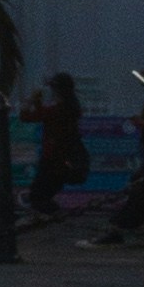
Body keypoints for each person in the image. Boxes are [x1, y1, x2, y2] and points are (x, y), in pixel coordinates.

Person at [23, 66, 88, 224]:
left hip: (52, 158)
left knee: (37, 195)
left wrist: (31, 101)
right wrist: (38, 103)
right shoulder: (71, 108)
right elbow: (44, 114)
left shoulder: (57, 110)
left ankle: (55, 216)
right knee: (44, 193)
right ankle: (52, 216)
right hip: (62, 157)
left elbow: (26, 116)